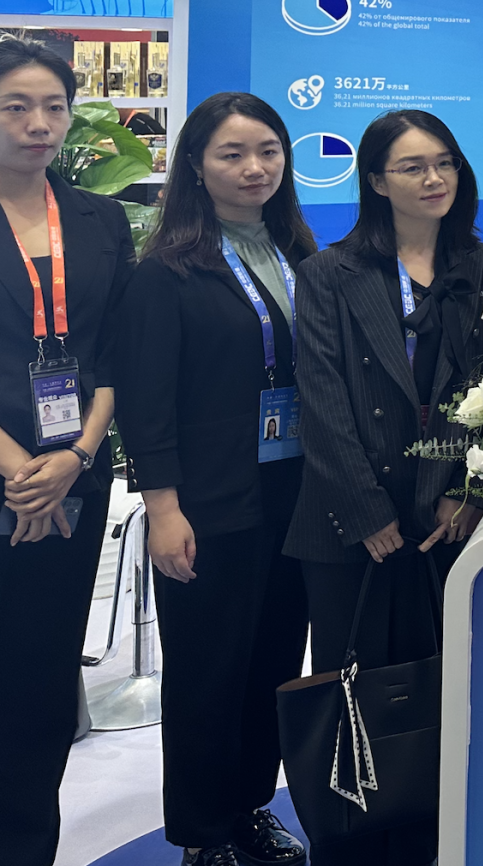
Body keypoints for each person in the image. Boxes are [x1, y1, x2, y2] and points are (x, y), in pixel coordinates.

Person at [286, 111, 483, 863]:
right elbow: (321, 398)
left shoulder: (480, 263)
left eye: (445, 162)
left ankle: (439, 835)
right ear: (376, 181)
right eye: (413, 167)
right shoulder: (330, 273)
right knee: (358, 685)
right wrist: (366, 509)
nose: (434, 179)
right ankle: (352, 840)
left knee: (446, 683)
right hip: (353, 521)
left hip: (449, 517)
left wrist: (469, 490)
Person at [113, 93, 317, 866]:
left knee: (273, 662)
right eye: (232, 154)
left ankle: (251, 807)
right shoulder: (166, 273)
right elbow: (147, 402)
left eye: (268, 151)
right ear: (196, 165)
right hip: (207, 501)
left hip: (295, 495)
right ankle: (203, 834)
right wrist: (163, 509)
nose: (254, 168)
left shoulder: (301, 254)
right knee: (207, 672)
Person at [0, 40, 133, 866]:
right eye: (16, 107)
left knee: (43, 671)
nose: (38, 124)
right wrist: (19, 470)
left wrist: (78, 456)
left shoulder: (98, 218)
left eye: (53, 107)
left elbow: (116, 350)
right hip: (14, 471)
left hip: (75, 473)